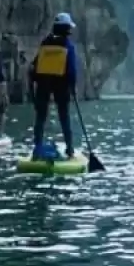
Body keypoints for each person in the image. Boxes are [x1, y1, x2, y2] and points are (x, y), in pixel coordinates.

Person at [29, 13, 79, 159]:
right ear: (66, 28)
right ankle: (70, 150)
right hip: (61, 84)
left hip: (44, 83)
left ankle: (37, 147)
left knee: (40, 117)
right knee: (64, 117)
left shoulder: (45, 42)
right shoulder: (68, 45)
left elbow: (36, 63)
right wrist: (73, 87)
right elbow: (71, 70)